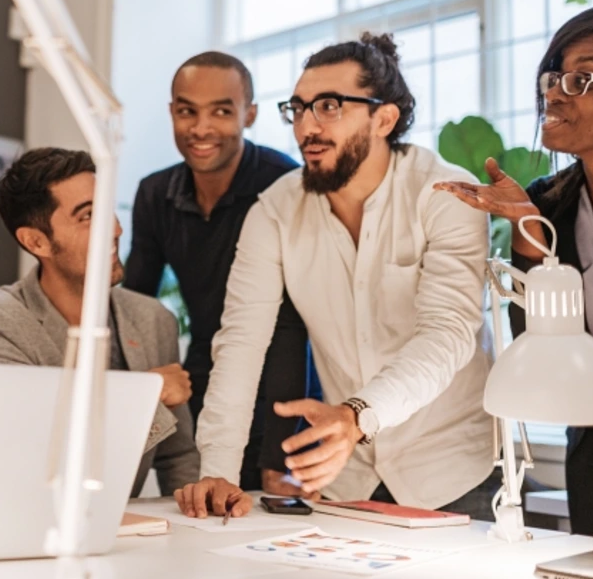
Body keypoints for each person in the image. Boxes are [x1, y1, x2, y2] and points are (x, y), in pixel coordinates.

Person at [176, 33, 495, 522]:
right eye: (298, 109)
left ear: (383, 118)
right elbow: (241, 342)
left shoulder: (447, 194)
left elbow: (446, 335)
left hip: (450, 470)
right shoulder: (276, 211)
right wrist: (218, 468)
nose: (307, 126)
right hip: (348, 479)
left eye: (329, 106)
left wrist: (356, 417)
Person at [434, 6, 593, 539]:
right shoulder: (547, 205)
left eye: (581, 78)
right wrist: (524, 225)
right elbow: (540, 344)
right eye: (553, 75)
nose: (555, 93)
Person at [0, 148, 199, 497]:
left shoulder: (153, 320)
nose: (115, 229)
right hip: (27, 531)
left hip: (122, 534)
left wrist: (199, 512)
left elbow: (178, 457)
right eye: (88, 217)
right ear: (35, 241)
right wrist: (142, 397)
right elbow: (38, 461)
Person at [123, 51, 312, 496]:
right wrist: (129, 401)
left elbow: (291, 325)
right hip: (206, 373)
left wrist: (277, 456)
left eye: (221, 112)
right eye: (187, 111)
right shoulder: (155, 194)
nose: (201, 129)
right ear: (172, 112)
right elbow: (135, 304)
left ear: (250, 114)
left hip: (287, 385)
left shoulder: (284, 184)